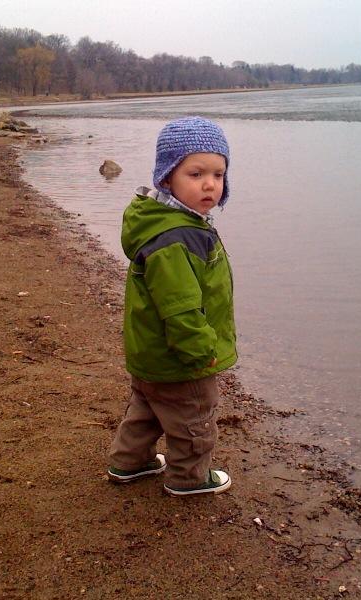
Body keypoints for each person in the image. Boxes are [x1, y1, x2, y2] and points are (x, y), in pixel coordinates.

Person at [107, 116, 237, 496]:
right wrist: (201, 353)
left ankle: (129, 461)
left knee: (147, 409)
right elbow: (180, 307)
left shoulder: (168, 223)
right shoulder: (176, 239)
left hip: (151, 352)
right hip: (180, 355)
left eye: (218, 174)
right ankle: (189, 478)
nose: (210, 184)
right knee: (193, 416)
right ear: (167, 178)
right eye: (195, 174)